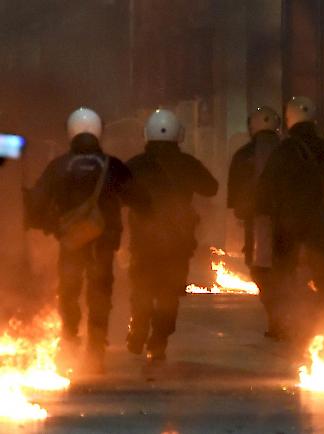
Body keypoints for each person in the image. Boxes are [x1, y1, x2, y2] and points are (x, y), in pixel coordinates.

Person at [27, 107, 148, 373]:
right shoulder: (113, 165)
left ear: (71, 132)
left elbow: (36, 203)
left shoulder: (58, 166)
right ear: (99, 132)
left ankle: (69, 340)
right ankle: (95, 351)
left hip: (71, 242)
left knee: (69, 291)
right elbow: (140, 200)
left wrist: (47, 224)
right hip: (104, 242)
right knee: (100, 293)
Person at [256, 96, 324, 327]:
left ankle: (282, 323)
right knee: (322, 275)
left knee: (283, 274)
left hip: (287, 223)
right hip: (320, 223)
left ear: (289, 120)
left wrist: (267, 212)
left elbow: (264, 188)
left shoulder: (283, 151)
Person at [126, 109, 218, 362]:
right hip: (178, 241)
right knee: (168, 293)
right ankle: (158, 342)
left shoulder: (135, 165)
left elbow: (117, 193)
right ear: (178, 135)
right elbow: (211, 187)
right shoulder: (187, 164)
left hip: (143, 241)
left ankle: (139, 327)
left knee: (142, 287)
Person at [227, 106, 283, 337]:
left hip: (256, 223)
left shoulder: (243, 155)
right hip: (289, 221)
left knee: (261, 271)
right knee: (285, 269)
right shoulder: (289, 151)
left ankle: (276, 318)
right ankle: (290, 317)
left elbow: (234, 198)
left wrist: (244, 210)